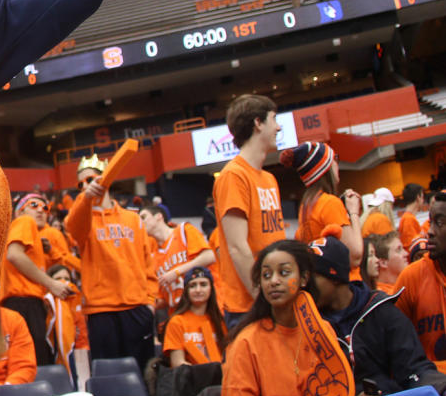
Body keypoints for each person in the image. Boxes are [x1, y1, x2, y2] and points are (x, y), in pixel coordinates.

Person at [220, 241, 348, 396]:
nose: (274, 281)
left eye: (284, 272)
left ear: (304, 278)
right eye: (266, 275)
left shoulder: (322, 330)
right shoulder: (245, 341)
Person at [310, 233, 446, 396]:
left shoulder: (380, 310)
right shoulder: (308, 322)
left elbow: (415, 368)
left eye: (312, 277)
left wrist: (441, 392)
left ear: (334, 275)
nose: (305, 285)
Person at [66, 155, 158, 367]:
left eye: (91, 179)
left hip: (137, 307)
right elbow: (72, 225)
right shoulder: (83, 219)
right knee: (109, 378)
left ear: (105, 179)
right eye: (81, 184)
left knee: (145, 374)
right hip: (101, 310)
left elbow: (147, 262)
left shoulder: (133, 219)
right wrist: (86, 199)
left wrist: (150, 302)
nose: (86, 186)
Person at [213, 95, 286, 328]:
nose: (278, 126)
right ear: (258, 123)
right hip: (249, 306)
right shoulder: (233, 176)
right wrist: (262, 297)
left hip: (273, 298)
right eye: (274, 119)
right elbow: (237, 247)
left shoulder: (269, 178)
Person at [0, 193, 73, 366]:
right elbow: (15, 256)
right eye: (33, 205)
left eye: (45, 208)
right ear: (20, 212)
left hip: (20, 304)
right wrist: (51, 284)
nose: (41, 210)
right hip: (25, 304)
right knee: (37, 364)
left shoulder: (33, 237)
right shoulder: (25, 222)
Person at [281, 142, 362, 271]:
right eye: (335, 158)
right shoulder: (330, 203)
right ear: (326, 168)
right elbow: (354, 257)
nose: (337, 164)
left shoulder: (305, 207)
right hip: (347, 285)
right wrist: (354, 213)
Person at [394, 192, 446, 371]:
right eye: (431, 222)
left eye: (440, 223)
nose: (429, 232)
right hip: (430, 388)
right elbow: (394, 350)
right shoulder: (410, 278)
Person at [139, 203, 215, 311]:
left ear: (158, 216)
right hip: (179, 312)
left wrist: (177, 272)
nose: (140, 222)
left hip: (206, 307)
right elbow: (162, 298)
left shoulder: (183, 230)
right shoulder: (152, 255)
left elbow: (209, 256)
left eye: (143, 217)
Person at [163, 267, 227, 367]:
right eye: (192, 286)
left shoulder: (219, 321)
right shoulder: (177, 322)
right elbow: (177, 363)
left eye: (203, 285)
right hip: (190, 379)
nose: (198, 290)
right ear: (186, 291)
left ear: (211, 288)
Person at [399, 183, 429, 250]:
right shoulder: (408, 219)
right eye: (422, 197)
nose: (423, 201)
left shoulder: (409, 218)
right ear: (418, 197)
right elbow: (412, 247)